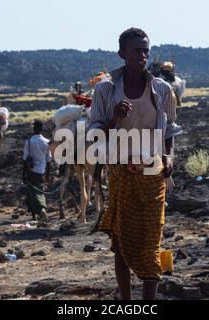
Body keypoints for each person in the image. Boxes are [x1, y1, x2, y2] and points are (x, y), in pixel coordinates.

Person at [89, 28, 179, 300]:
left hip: (152, 173)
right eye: (136, 50)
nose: (142, 55)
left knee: (152, 240)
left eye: (145, 50)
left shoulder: (162, 90)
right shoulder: (105, 90)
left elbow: (170, 130)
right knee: (120, 242)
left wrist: (169, 156)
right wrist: (114, 120)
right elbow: (94, 134)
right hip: (120, 171)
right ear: (122, 53)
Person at [22, 120, 52, 222]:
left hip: (31, 170)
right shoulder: (47, 142)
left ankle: (41, 210)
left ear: (34, 129)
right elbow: (48, 160)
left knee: (33, 193)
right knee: (39, 191)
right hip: (42, 170)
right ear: (41, 129)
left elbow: (25, 159)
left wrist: (23, 174)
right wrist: (48, 174)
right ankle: (38, 213)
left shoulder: (29, 141)